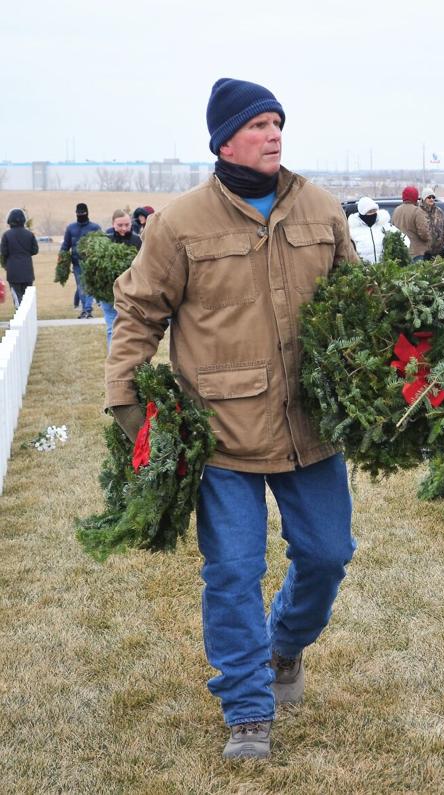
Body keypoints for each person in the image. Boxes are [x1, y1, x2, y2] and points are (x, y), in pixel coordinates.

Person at [106, 78, 358, 760]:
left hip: (311, 426)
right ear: (224, 140)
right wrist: (129, 407)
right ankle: (248, 708)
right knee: (232, 570)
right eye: (258, 125)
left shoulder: (321, 208)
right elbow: (139, 313)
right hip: (220, 432)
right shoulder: (181, 222)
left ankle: (284, 646)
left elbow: (360, 304)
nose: (274, 134)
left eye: (278, 122)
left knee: (329, 554)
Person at [99, 210, 142, 350]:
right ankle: (114, 361)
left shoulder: (138, 241)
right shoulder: (105, 241)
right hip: (108, 293)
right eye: (120, 225)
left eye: (127, 224)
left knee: (132, 329)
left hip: (131, 293)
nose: (124, 228)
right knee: (112, 327)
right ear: (113, 224)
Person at [62, 202, 101, 318]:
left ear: (87, 213)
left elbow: (102, 243)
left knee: (89, 285)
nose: (80, 215)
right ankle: (85, 309)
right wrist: (62, 258)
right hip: (76, 263)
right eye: (78, 213)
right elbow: (66, 245)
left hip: (91, 263)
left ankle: (87, 309)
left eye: (82, 213)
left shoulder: (95, 228)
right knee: (81, 286)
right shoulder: (71, 228)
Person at [347, 196, 400, 264]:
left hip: (385, 270)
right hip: (363, 270)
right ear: (362, 213)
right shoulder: (353, 231)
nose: (372, 214)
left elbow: (403, 239)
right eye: (369, 212)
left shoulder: (385, 226)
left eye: (374, 211)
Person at [1, 208, 38, 308]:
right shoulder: (29, 234)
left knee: (17, 297)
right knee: (27, 298)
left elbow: (3, 252)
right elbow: (35, 250)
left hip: (13, 271)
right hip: (27, 270)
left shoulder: (6, 235)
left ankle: (19, 318)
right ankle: (27, 318)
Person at [392, 186, 431, 261]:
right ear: (415, 197)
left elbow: (392, 229)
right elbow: (424, 233)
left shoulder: (396, 210)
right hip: (416, 252)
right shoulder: (417, 211)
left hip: (401, 252)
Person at [422, 191, 444, 258]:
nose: (431, 199)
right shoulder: (419, 211)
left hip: (438, 252)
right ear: (424, 198)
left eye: (433, 197)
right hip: (423, 252)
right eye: (429, 197)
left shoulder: (440, 212)